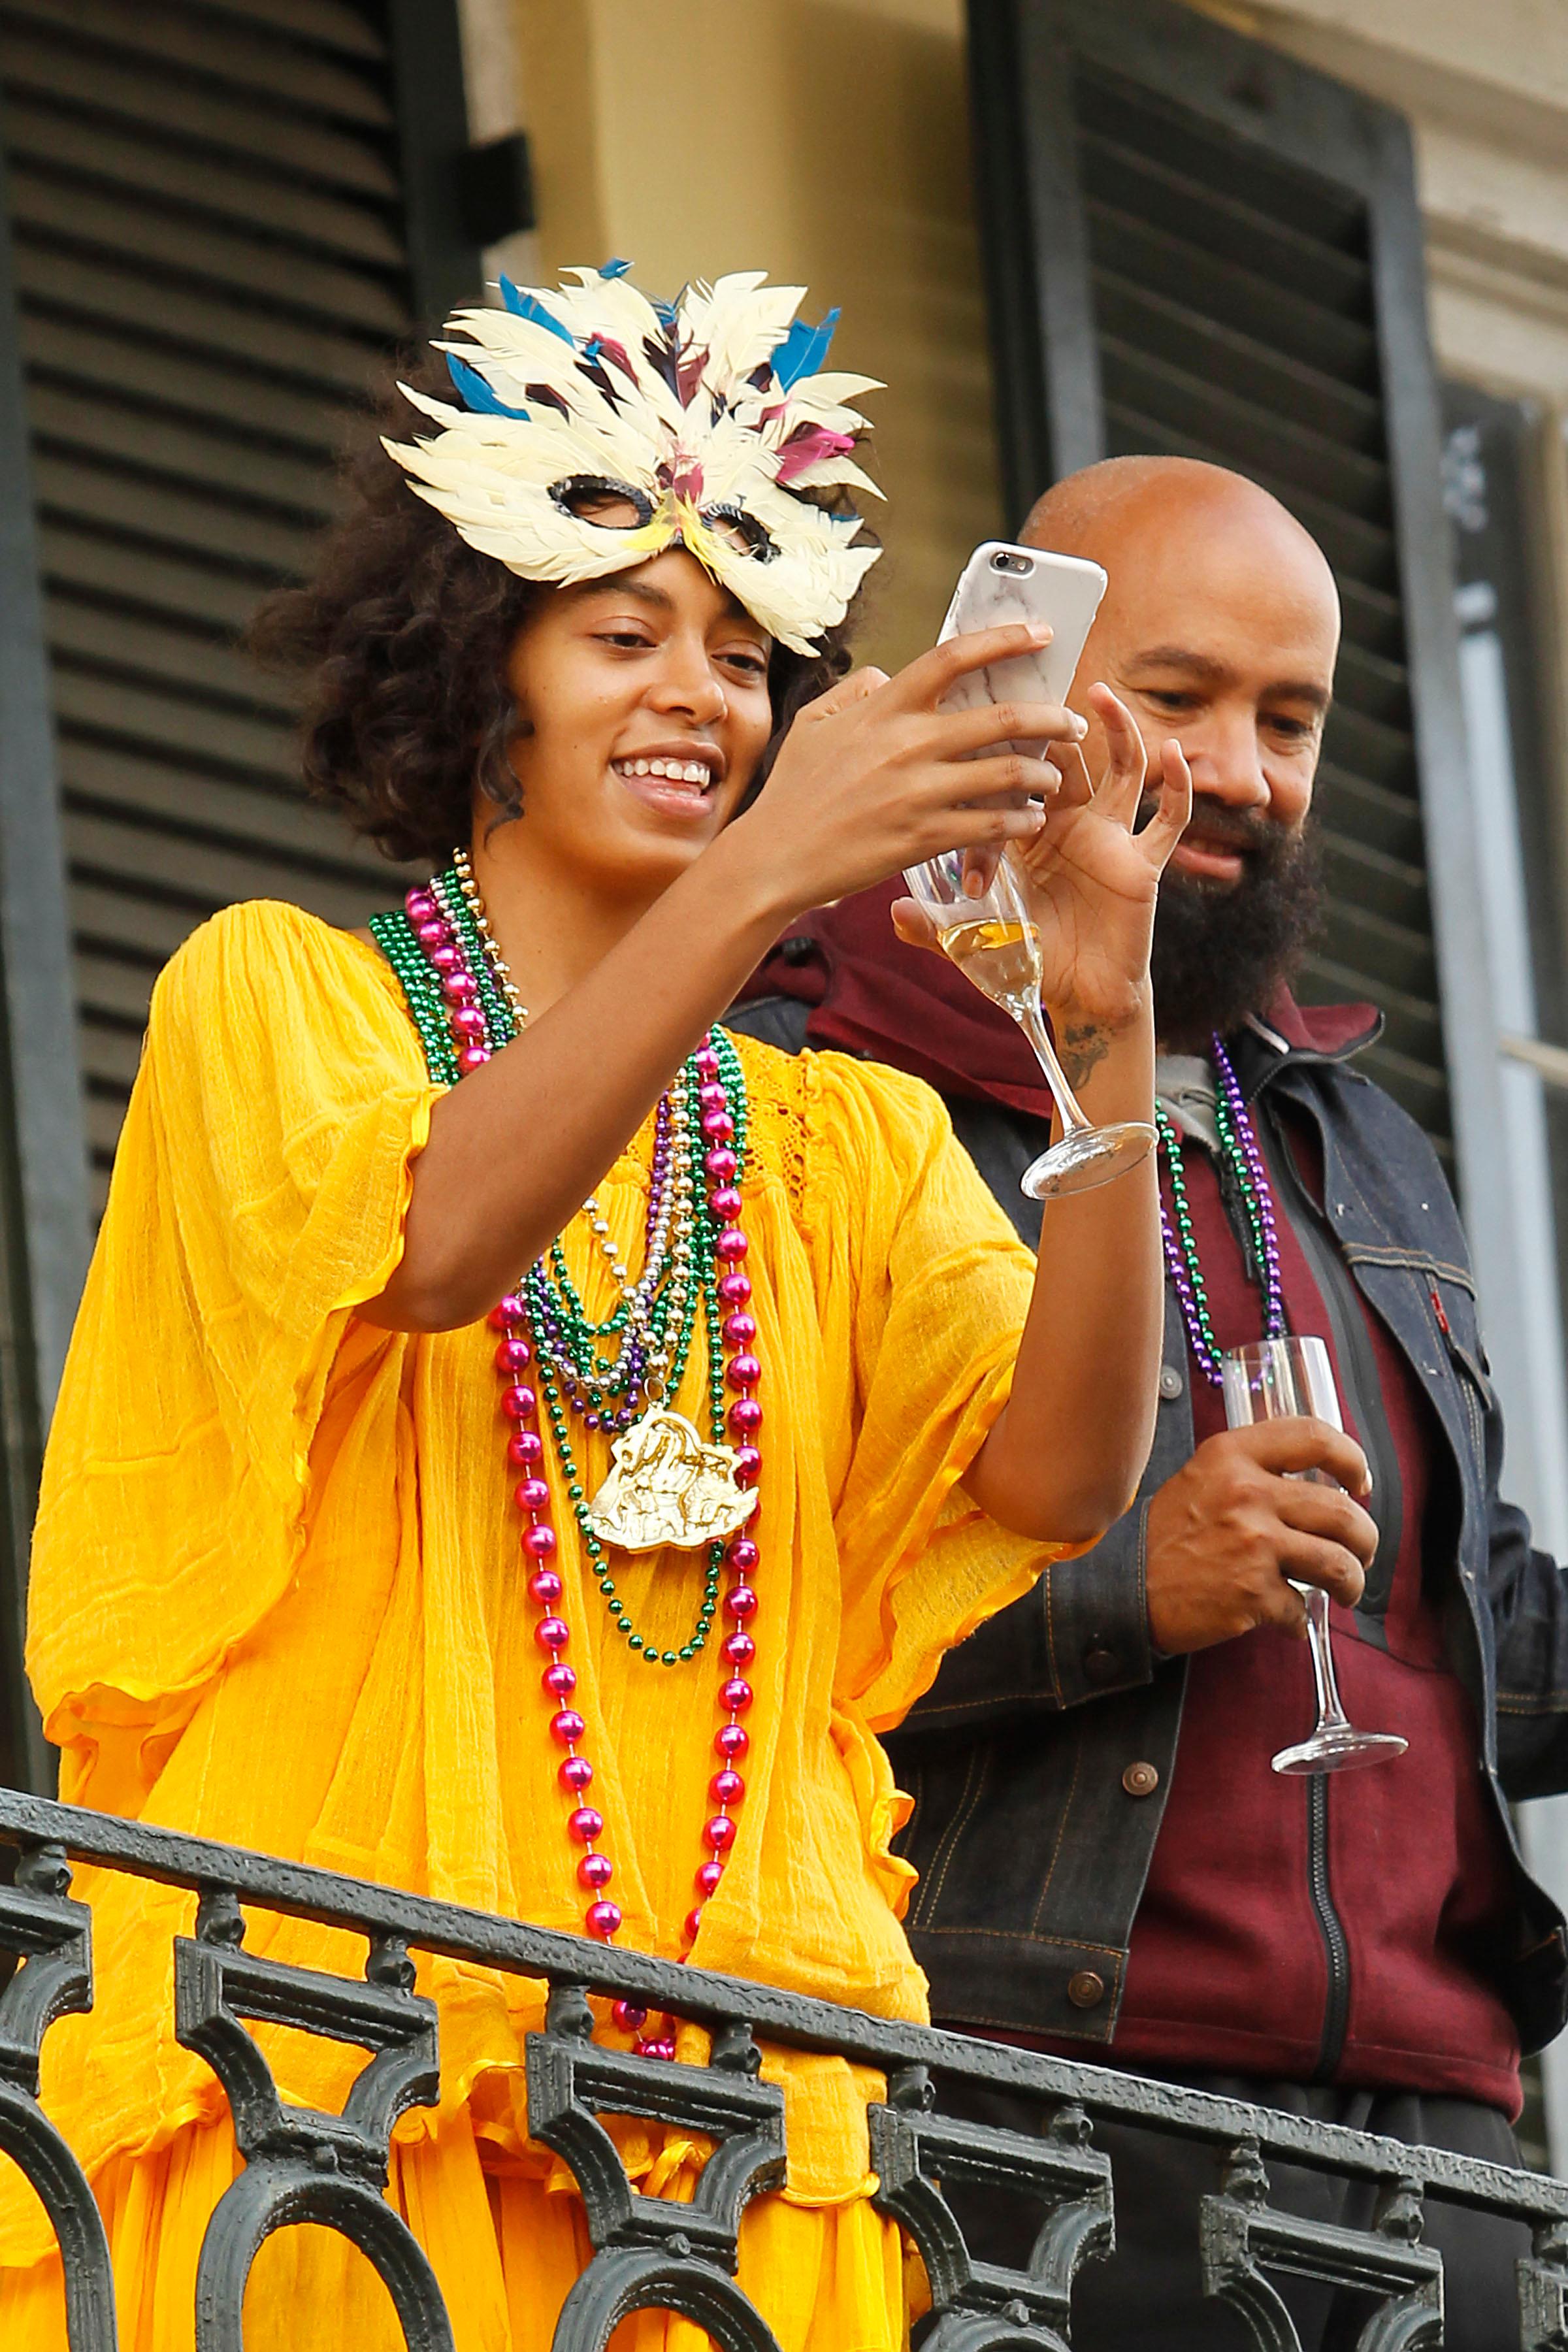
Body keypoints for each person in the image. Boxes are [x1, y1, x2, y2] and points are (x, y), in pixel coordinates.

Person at [0, 274, 1194, 2350]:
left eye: (744, 658)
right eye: (623, 633)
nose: (700, 700)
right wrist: (764, 884)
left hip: (738, 2121)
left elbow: (1070, 1469)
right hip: (341, 2075)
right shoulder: (279, 1000)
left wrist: (1098, 1044)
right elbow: (439, 1241)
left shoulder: (838, 1139)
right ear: (481, 679)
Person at [731, 453, 1568, 2349]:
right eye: (1177, 698)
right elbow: (708, 1604)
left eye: (1288, 719)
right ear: (1015, 678)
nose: (1243, 772)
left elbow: (1466, 1611)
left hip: (1444, 2137)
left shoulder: (1353, 1129)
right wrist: (1129, 1579)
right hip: (1034, 2095)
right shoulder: (817, 1077)